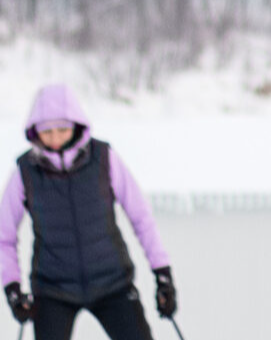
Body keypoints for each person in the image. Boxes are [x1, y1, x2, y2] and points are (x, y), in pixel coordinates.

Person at [1, 84, 177, 340]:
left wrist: (162, 273)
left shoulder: (103, 158)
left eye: (62, 129)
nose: (55, 138)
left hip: (112, 283)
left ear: (76, 125)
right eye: (47, 131)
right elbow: (4, 236)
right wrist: (12, 288)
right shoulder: (25, 171)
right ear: (35, 131)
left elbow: (141, 217)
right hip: (53, 290)